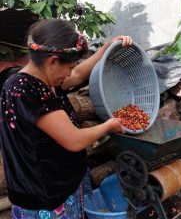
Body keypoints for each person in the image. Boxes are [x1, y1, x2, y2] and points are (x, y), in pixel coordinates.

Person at [0, 18, 132, 219]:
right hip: (44, 197)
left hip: (61, 186)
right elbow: (74, 140)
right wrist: (109, 125)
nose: (70, 72)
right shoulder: (25, 89)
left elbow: (78, 73)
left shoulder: (42, 78)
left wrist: (106, 48)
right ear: (52, 61)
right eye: (68, 67)